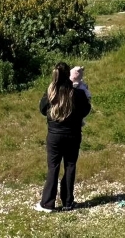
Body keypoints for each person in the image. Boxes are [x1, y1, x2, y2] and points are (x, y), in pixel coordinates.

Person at [35, 62, 91, 213]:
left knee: (53, 167)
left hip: (54, 135)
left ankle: (47, 203)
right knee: (70, 166)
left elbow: (42, 109)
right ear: (69, 75)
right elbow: (86, 110)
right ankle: (67, 202)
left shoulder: (51, 93)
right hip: (73, 134)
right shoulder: (77, 93)